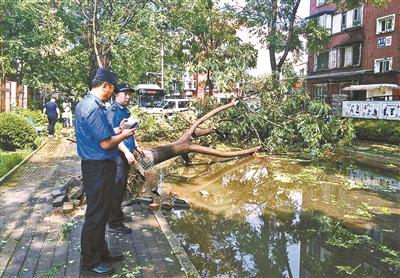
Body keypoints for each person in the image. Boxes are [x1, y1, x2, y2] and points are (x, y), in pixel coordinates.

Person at [74, 68, 135, 276]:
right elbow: (107, 144)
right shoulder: (92, 107)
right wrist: (124, 135)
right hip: (97, 167)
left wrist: (117, 130)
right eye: (112, 89)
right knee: (95, 215)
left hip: (99, 167)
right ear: (105, 86)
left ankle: (101, 251)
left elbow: (102, 134)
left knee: (101, 214)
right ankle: (89, 261)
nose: (113, 93)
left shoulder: (90, 105)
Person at [106, 83, 145, 234]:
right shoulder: (112, 111)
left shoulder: (126, 110)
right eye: (125, 94)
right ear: (117, 95)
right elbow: (113, 136)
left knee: (121, 186)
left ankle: (119, 214)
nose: (128, 97)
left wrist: (136, 146)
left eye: (130, 94)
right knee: (116, 186)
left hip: (126, 154)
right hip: (117, 155)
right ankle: (114, 223)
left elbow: (130, 132)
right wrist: (127, 152)